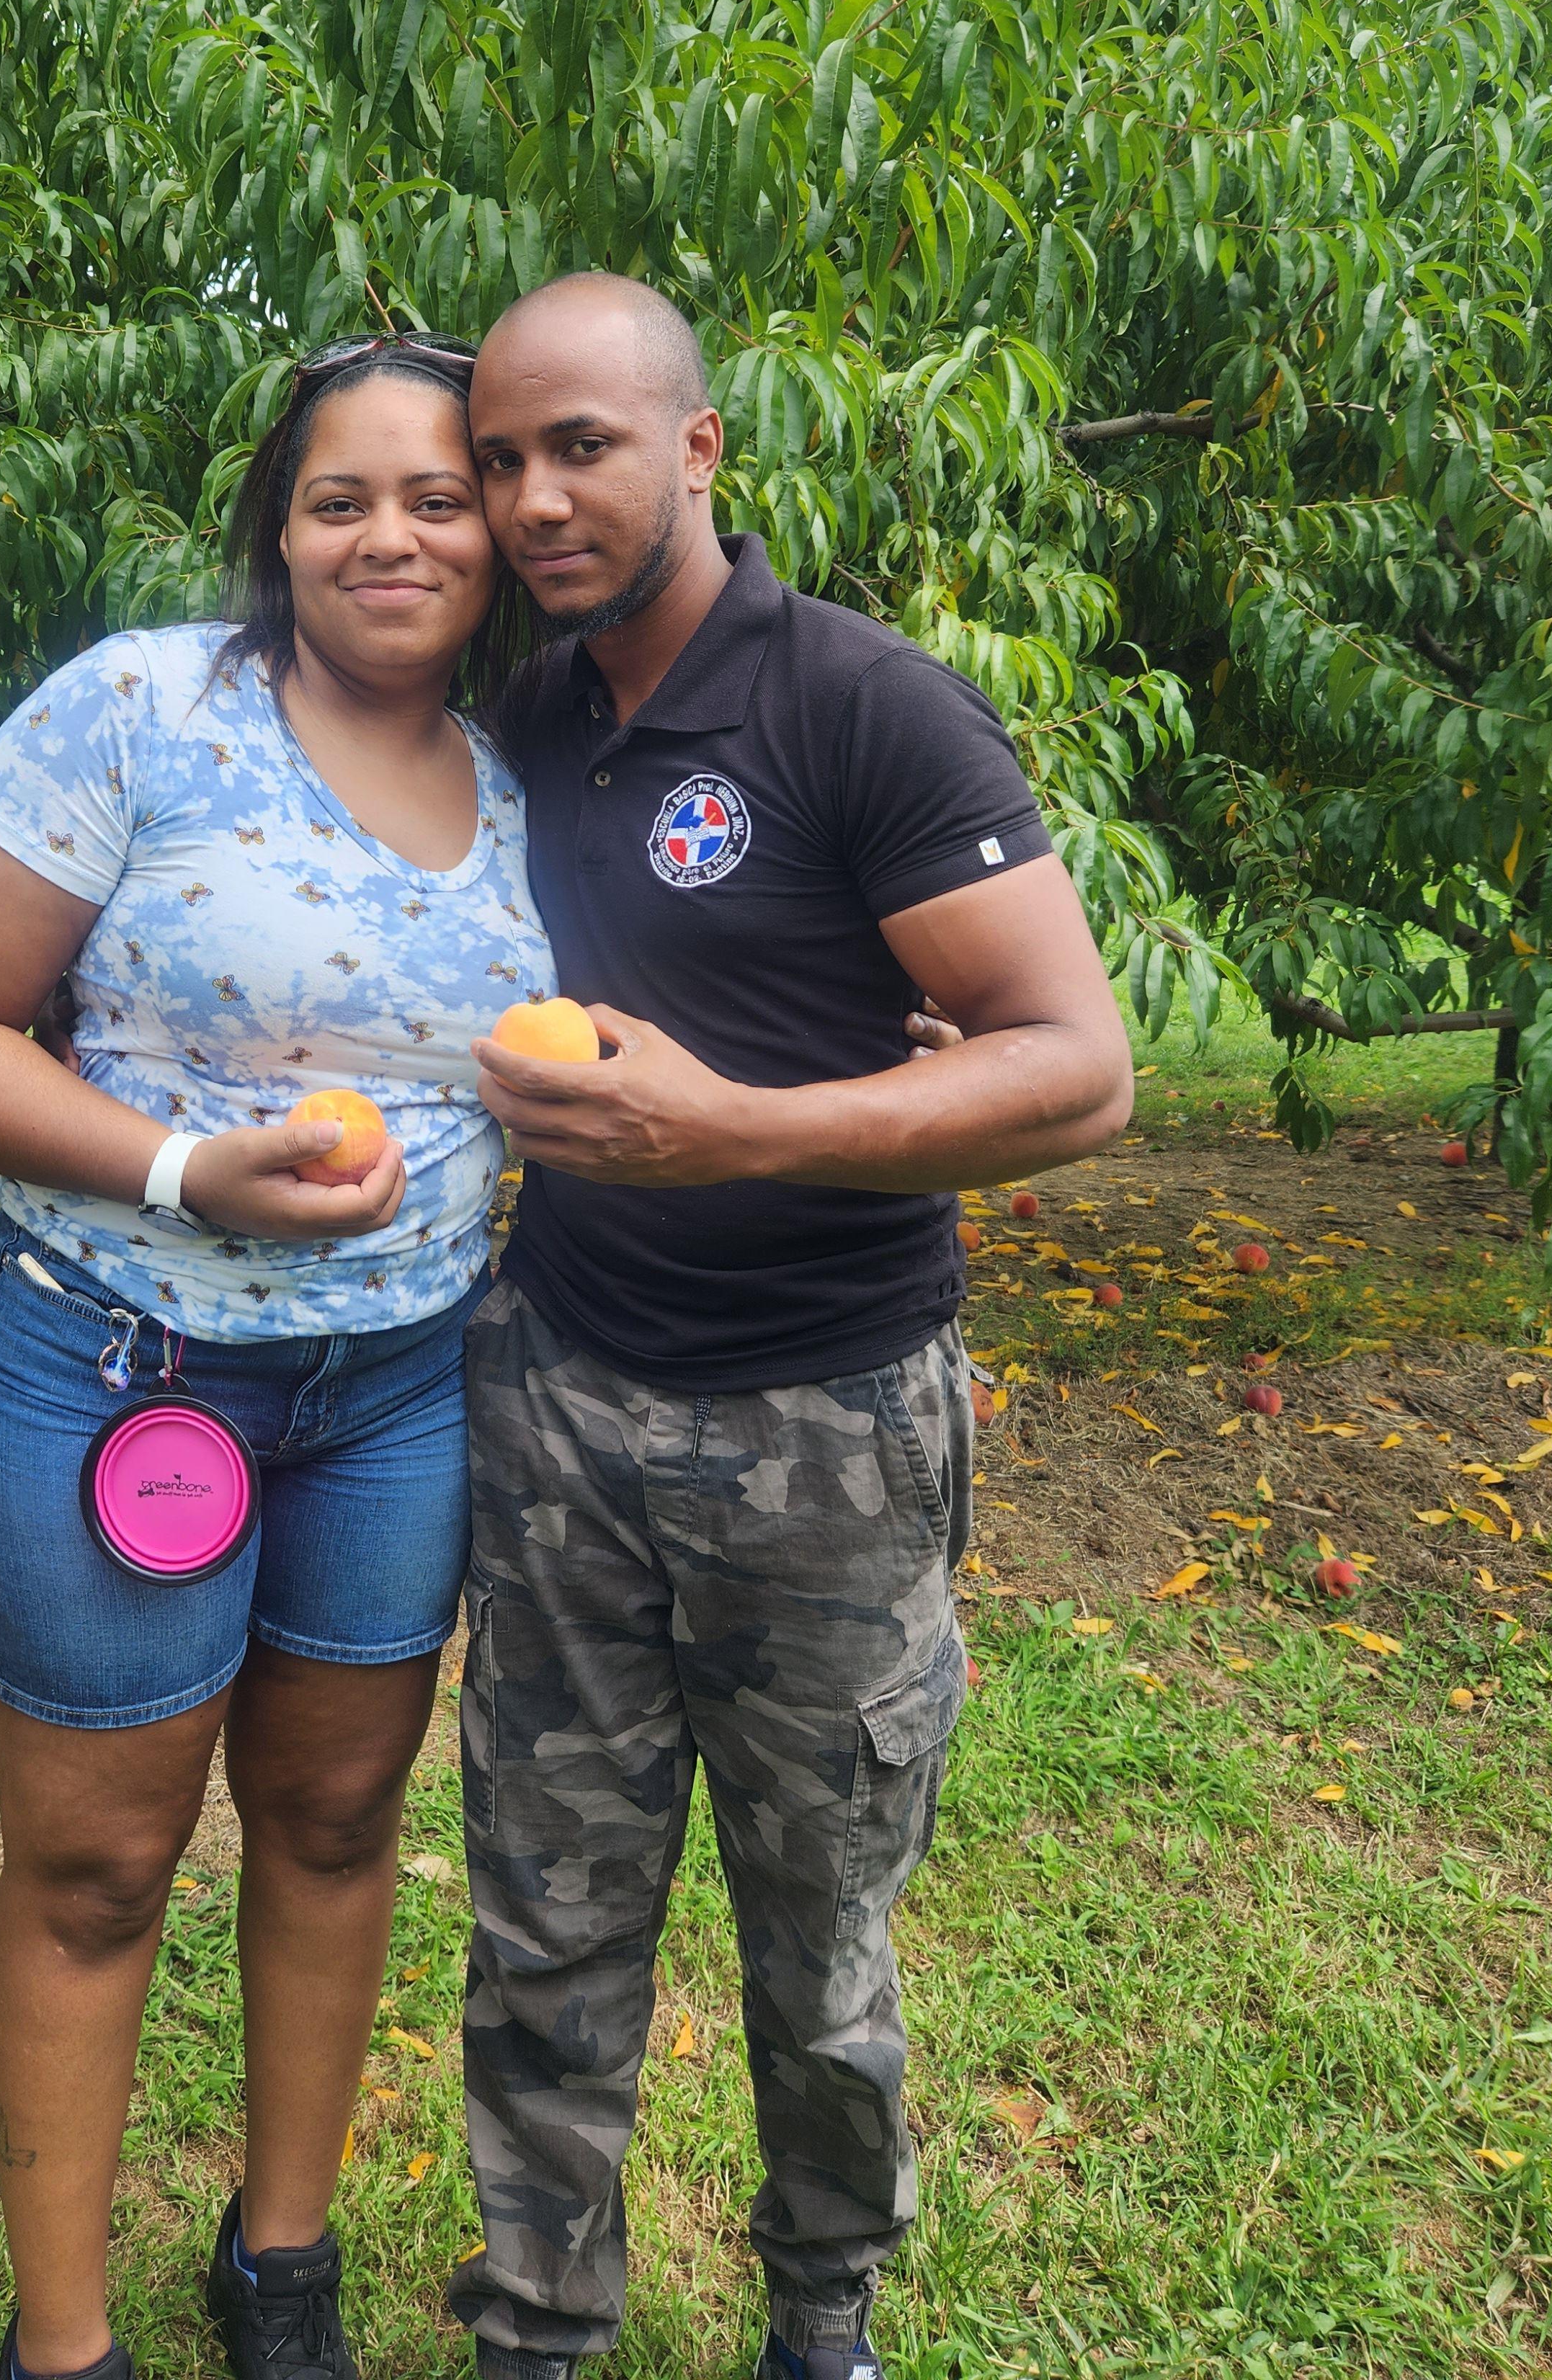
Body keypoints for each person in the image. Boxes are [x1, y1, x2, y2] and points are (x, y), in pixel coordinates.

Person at [443, 274, 1138, 2380]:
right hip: (558, 1398)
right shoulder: (529, 720)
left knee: (816, 1924)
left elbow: (1079, 1069)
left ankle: (821, 2312)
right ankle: (540, 2319)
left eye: (583, 446)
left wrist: (740, 1130)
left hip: (828, 1423)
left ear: (700, 447)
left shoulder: (862, 709)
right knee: (546, 1911)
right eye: (503, 459)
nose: (537, 497)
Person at [0, 331, 554, 2380]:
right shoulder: (145, 710)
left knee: (338, 1826)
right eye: (342, 496)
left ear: (501, 535)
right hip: (116, 1372)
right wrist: (186, 1169)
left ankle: (285, 2268)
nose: (393, 534)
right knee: (94, 1862)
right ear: (278, 527)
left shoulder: (540, 773)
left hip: (401, 1392)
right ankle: (60, 2346)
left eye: (441, 496)